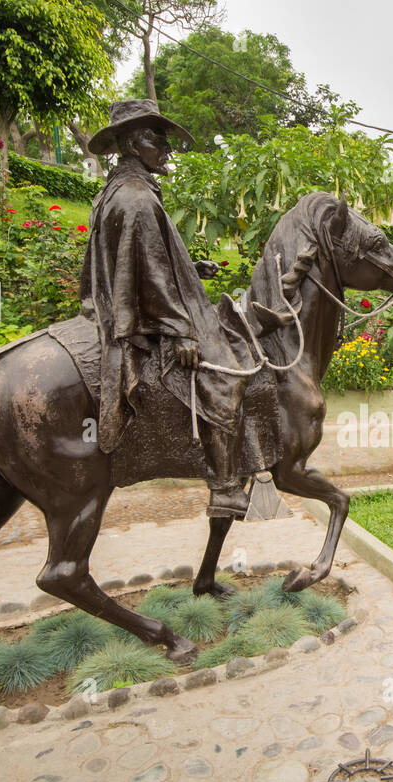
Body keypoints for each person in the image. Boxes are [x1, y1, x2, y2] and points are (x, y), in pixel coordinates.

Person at [84, 99, 263, 517]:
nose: (165, 148)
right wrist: (179, 327)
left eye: (164, 139)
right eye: (155, 139)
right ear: (131, 144)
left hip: (130, 299)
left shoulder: (122, 188)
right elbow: (148, 273)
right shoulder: (137, 197)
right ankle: (225, 483)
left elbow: (148, 257)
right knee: (227, 376)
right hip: (148, 314)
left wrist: (190, 268)